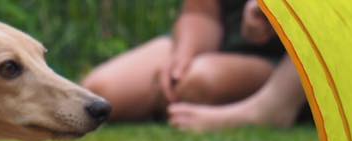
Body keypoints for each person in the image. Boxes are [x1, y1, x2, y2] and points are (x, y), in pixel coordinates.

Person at [82, 0, 307, 132]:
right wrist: (183, 57)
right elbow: (200, 13)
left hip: (284, 57)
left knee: (199, 82)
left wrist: (273, 10)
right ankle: (177, 98)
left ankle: (271, 106)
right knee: (99, 90)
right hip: (219, 43)